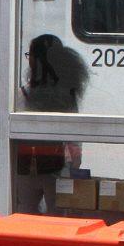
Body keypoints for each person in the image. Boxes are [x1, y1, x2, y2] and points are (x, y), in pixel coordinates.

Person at [17, 33, 89, 214]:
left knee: (25, 215)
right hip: (57, 164)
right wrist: (74, 161)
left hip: (26, 165)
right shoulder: (67, 94)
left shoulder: (24, 94)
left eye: (30, 55)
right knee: (58, 216)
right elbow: (74, 131)